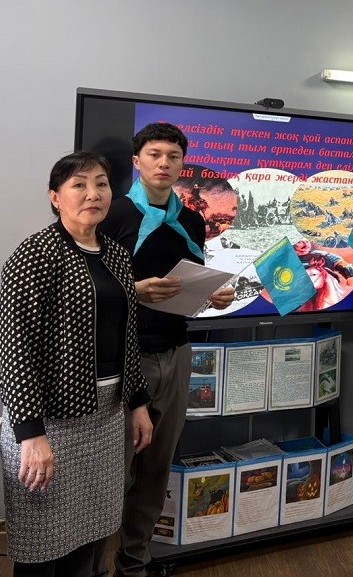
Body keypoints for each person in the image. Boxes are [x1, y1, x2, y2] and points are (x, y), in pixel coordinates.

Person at [0, 152, 153, 576]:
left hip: (105, 418)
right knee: (43, 544)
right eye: (79, 185)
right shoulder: (34, 254)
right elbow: (15, 348)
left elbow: (127, 335)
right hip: (50, 421)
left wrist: (138, 403)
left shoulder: (116, 254)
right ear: (55, 197)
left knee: (89, 535)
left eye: (101, 184)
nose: (93, 193)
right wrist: (31, 434)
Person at [94, 123, 234, 577]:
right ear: (137, 162)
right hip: (122, 358)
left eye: (173, 156)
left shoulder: (190, 220)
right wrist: (134, 290)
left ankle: (134, 562)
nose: (164, 163)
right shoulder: (112, 214)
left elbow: (188, 281)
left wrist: (212, 295)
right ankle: (93, 567)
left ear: (182, 165)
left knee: (157, 468)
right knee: (112, 472)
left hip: (175, 350)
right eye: (154, 154)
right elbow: (89, 287)